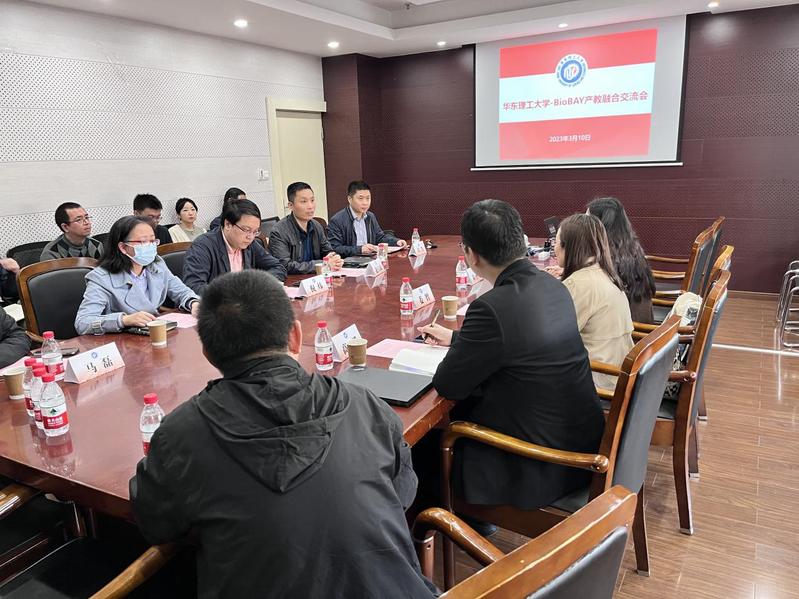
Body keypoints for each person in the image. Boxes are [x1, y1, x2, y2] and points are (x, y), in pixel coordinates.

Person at [130, 270, 436, 598]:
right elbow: (403, 494)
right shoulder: (365, 405)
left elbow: (156, 522)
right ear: (296, 336)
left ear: (208, 353)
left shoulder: (180, 433)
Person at [419, 199, 604, 510]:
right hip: (581, 444)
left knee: (423, 448)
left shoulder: (490, 308)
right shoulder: (553, 286)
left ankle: (457, 523)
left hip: (539, 464)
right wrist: (457, 339)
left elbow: (449, 384)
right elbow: (523, 342)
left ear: (470, 255)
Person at [74, 216, 199, 335]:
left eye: (152, 241)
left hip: (155, 334)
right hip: (123, 342)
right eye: (143, 241)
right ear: (123, 247)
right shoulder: (101, 278)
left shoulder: (157, 264)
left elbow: (181, 291)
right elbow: (83, 322)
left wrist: (193, 303)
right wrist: (124, 320)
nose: (150, 246)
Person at [555, 214, 634, 391]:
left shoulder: (578, 284)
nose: (554, 247)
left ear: (568, 246)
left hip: (597, 383)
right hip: (616, 376)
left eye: (556, 241)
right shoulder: (606, 274)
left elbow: (552, 340)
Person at [183, 199, 286, 296]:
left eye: (255, 231)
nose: (250, 237)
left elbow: (278, 267)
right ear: (228, 224)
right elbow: (194, 286)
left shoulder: (250, 244)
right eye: (246, 230)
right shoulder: (203, 246)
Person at [587, 197, 656, 324]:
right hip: (640, 324)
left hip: (628, 331)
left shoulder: (607, 258)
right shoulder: (630, 247)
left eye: (587, 220)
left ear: (600, 225)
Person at [268, 182, 343, 274]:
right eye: (304, 201)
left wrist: (334, 258)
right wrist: (321, 264)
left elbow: (327, 251)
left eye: (312, 200)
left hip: (315, 277)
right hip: (293, 280)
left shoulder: (316, 226)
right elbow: (285, 265)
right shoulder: (279, 231)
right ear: (291, 205)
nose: (310, 206)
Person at [327, 181, 406, 257]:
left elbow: (380, 237)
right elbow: (334, 248)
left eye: (368, 198)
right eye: (360, 198)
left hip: (371, 259)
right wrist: (360, 250)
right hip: (350, 262)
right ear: (349, 199)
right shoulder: (337, 220)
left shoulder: (370, 216)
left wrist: (396, 241)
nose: (365, 203)